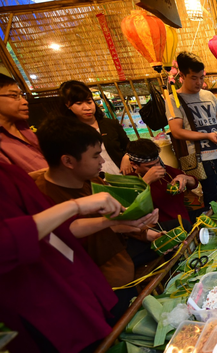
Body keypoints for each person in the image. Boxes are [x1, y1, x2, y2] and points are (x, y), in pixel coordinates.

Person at [1, 155, 124, 353]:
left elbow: (60, 226)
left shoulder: (9, 172)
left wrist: (114, 222)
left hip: (72, 272)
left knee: (107, 342)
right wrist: (74, 206)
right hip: (36, 296)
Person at [33, 116, 161, 297]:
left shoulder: (92, 179)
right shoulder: (41, 196)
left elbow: (114, 224)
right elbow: (66, 232)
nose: (102, 161)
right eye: (95, 155)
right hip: (95, 279)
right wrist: (113, 222)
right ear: (68, 161)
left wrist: (141, 228)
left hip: (120, 256)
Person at [166, 52, 217, 205]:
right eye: (194, 78)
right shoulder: (174, 99)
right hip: (201, 159)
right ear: (182, 75)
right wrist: (207, 136)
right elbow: (176, 131)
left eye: (201, 77)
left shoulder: (208, 95)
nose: (199, 82)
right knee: (210, 197)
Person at [59, 80, 132, 175]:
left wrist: (126, 157)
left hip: (122, 175)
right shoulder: (70, 132)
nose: (87, 108)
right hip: (94, 180)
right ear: (68, 105)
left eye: (89, 102)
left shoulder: (110, 124)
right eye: (79, 104)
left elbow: (128, 146)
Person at [126, 139, 199, 223]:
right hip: (161, 228)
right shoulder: (129, 180)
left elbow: (194, 184)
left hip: (184, 219)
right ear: (134, 165)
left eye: (157, 162)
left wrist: (185, 178)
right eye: (150, 166)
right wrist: (146, 181)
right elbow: (130, 207)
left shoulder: (167, 170)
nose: (157, 167)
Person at [0, 74, 47, 173]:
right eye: (14, 96)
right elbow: (11, 182)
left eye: (22, 95)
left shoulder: (22, 125)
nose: (25, 102)